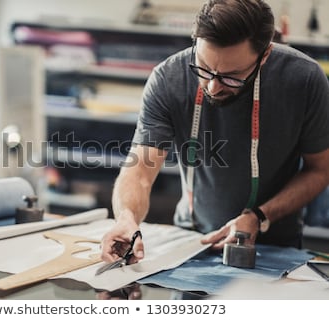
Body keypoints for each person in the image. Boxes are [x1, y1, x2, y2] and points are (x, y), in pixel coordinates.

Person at [101, 0, 329, 264]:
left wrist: (259, 216)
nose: (212, 87)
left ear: (264, 55)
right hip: (191, 241)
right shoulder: (168, 78)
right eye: (203, 68)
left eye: (231, 77)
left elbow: (320, 169)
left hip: (274, 245)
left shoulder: (305, 80)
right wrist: (127, 219)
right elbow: (140, 170)